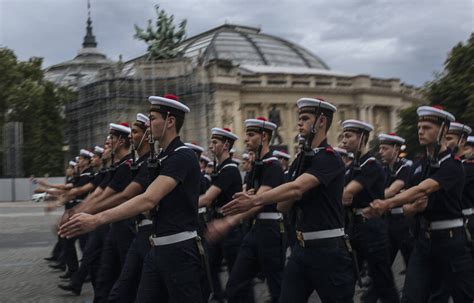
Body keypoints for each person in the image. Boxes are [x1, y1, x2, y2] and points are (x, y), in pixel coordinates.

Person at [60, 94, 205, 303]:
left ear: (170, 122)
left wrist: (96, 218)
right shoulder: (162, 158)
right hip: (157, 248)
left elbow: (148, 199)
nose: (149, 123)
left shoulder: (182, 156)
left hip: (179, 251)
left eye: (153, 118)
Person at [219, 97, 355, 302]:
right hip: (301, 250)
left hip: (329, 250)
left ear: (321, 122)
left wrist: (256, 200)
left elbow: (297, 188)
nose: (299, 122)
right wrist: (279, 193)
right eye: (299, 118)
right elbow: (283, 205)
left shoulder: (329, 157)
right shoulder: (301, 160)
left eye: (305, 118)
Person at [364, 105, 474, 302]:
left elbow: (423, 189)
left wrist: (387, 203)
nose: (421, 131)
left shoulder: (453, 165)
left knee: (462, 297)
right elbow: (407, 207)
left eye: (427, 127)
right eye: (419, 127)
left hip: (451, 243)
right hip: (424, 242)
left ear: (443, 130)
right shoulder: (418, 166)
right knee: (411, 298)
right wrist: (413, 208)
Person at [341, 119, 400, 302]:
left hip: (372, 227)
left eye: (348, 136)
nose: (344, 140)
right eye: (344, 135)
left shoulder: (371, 165)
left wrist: (346, 195)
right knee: (345, 276)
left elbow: (348, 192)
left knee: (383, 280)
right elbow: (345, 197)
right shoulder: (352, 168)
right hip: (355, 226)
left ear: (362, 138)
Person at [198, 127, 245, 303]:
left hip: (230, 227)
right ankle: (218, 297)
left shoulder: (230, 169)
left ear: (226, 145)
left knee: (236, 277)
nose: (211, 146)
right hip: (218, 225)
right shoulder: (222, 168)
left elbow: (208, 198)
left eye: (215, 143)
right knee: (209, 267)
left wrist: (180, 204)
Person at [378, 133, 414, 268]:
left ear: (396, 150)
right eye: (380, 148)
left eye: (385, 148)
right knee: (384, 261)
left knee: (410, 259)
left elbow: (392, 190)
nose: (380, 152)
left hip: (403, 220)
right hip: (388, 220)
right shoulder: (384, 170)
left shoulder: (404, 169)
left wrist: (371, 198)